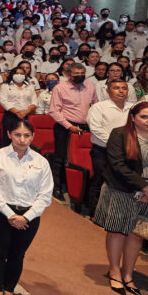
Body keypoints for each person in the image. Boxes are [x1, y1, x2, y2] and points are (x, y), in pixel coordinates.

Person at [93, 102, 148, 295]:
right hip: (123, 190)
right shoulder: (119, 134)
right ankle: (114, 271)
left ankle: (128, 274)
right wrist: (144, 187)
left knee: (137, 234)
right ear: (133, 117)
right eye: (144, 117)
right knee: (118, 232)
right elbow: (118, 165)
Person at [0, 119, 53, 295]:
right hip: (2, 212)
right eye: (17, 135)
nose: (22, 140)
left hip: (29, 216)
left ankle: (9, 292)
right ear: (9, 135)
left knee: (17, 254)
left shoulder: (41, 162)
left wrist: (26, 217)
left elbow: (45, 195)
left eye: (26, 136)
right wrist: (11, 215)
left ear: (33, 137)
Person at [48, 62, 96, 197]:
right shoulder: (60, 88)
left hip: (85, 128)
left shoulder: (90, 86)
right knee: (61, 157)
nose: (80, 76)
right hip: (65, 127)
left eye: (82, 74)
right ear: (69, 74)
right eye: (76, 74)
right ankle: (57, 187)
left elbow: (95, 105)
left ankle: (78, 190)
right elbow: (54, 111)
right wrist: (69, 126)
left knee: (81, 159)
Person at [86, 80, 134, 212]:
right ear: (108, 91)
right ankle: (94, 211)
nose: (121, 91)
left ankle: (116, 211)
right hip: (103, 151)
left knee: (122, 180)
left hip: (127, 151)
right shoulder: (98, 107)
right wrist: (116, 145)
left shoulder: (133, 108)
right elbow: (95, 128)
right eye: (117, 88)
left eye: (124, 88)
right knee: (100, 180)